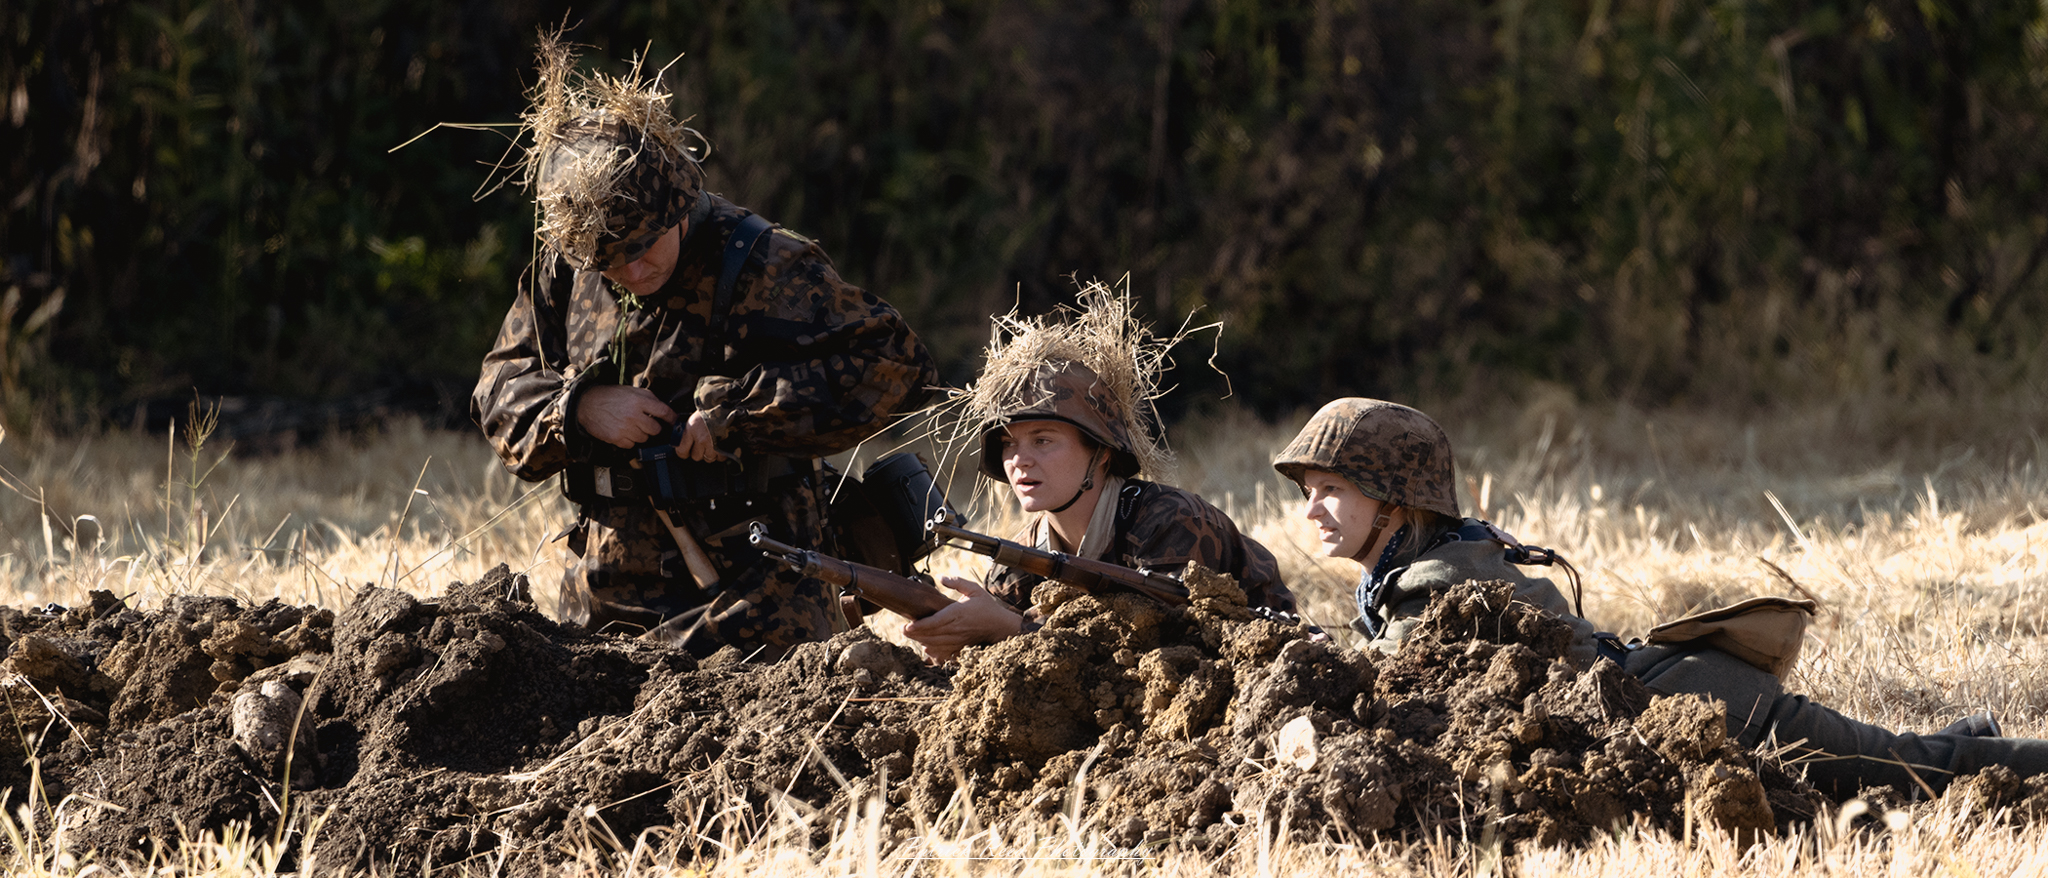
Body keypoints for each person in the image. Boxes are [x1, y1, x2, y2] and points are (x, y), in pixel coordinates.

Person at [1273, 397, 2048, 799]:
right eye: (1310, 491)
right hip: (1670, 696)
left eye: (1333, 490)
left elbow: (1394, 689)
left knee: (1913, 771)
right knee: (1890, 764)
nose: (1312, 509)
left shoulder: (1437, 583)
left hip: (1699, 706)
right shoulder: (1416, 568)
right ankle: (1970, 737)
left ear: (1396, 503)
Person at [470, 36, 937, 657]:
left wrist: (736, 418)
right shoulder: (563, 270)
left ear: (679, 205)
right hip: (602, 593)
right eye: (609, 263)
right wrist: (579, 409)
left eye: (644, 248)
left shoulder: (766, 264)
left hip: (758, 595)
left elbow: (898, 368)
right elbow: (497, 391)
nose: (632, 272)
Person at [902, 288, 1296, 662]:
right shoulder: (1016, 563)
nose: (1019, 460)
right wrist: (958, 638)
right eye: (1007, 444)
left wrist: (1010, 627)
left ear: (1102, 454)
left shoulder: (1174, 523)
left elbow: (1164, 653)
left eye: (1042, 441)